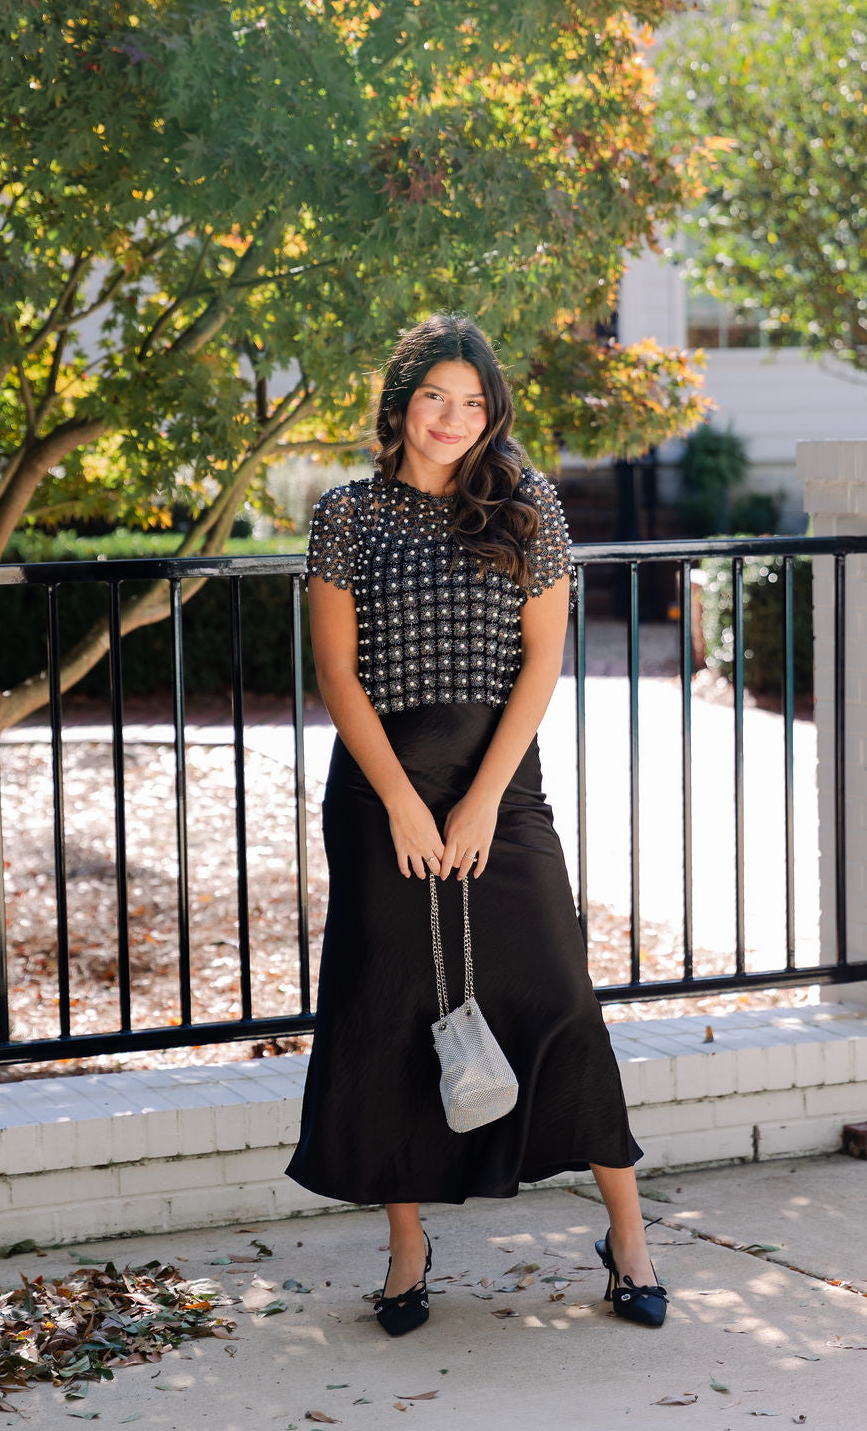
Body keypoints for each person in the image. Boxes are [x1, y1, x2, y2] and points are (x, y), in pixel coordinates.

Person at [284, 313, 667, 1334]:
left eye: (470, 401)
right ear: (399, 406)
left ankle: (628, 1237)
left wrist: (485, 797)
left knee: (559, 996)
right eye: (432, 398)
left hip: (502, 785)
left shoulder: (529, 504)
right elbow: (338, 675)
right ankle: (408, 1251)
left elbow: (542, 663)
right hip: (381, 796)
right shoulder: (347, 514)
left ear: (491, 411)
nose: (451, 419)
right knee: (387, 1008)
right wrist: (405, 804)